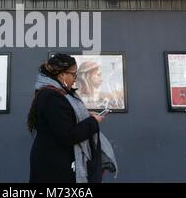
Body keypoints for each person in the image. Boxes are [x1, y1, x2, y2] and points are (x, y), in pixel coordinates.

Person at [28, 53, 118, 183]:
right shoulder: (52, 97)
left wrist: (86, 115)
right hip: (53, 167)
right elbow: (68, 135)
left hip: (55, 162)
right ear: (62, 74)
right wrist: (93, 122)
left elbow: (64, 118)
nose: (75, 79)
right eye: (73, 74)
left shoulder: (56, 94)